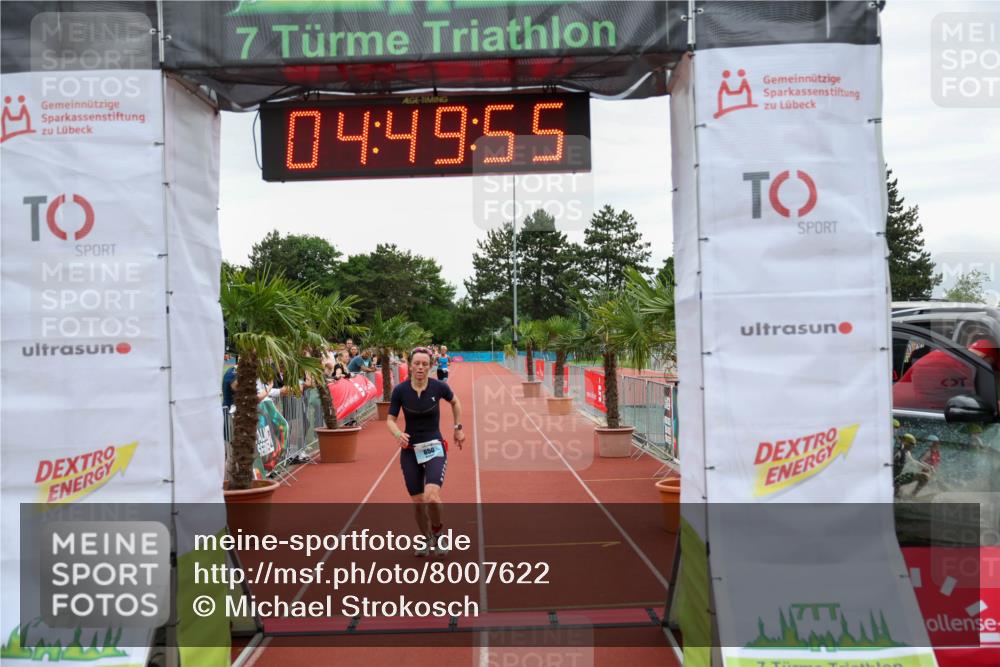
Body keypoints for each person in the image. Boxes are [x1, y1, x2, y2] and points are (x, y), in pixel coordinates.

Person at [386, 347, 465, 557]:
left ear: (430, 366)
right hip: (410, 451)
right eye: (417, 363)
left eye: (424, 364)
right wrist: (397, 434)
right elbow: (390, 419)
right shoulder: (401, 391)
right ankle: (427, 537)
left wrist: (458, 428)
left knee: (432, 496)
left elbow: (456, 402)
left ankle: (438, 535)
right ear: (410, 365)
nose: (420, 367)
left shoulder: (438, 387)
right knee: (418, 502)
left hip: (434, 449)